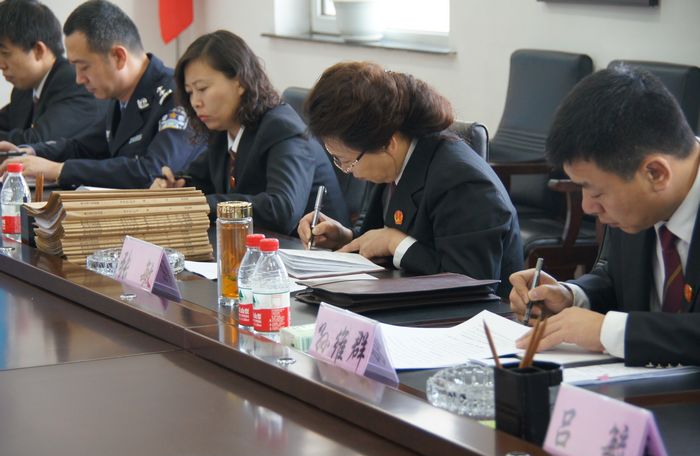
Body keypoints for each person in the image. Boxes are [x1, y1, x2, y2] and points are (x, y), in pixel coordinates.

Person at [510, 65, 700, 367]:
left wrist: (610, 332)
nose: (588, 207)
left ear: (655, 173)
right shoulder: (633, 200)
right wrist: (572, 297)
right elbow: (617, 280)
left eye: (596, 193)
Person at [297, 61, 523, 297]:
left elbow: (471, 283)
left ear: (388, 144)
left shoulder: (462, 182)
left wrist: (395, 243)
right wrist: (345, 238)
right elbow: (379, 235)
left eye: (346, 161)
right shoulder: (393, 160)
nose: (346, 170)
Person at [151, 30, 348, 235]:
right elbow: (200, 179)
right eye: (190, 92)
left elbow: (282, 210)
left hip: (314, 250)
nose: (195, 102)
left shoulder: (282, 129)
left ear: (240, 82)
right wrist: (175, 186)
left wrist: (199, 204)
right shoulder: (223, 130)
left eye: (202, 88)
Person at [0, 0, 202, 188]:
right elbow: (82, 147)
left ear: (118, 57)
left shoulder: (176, 95)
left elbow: (153, 170)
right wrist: (31, 152)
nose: (79, 79)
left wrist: (59, 170)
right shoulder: (121, 98)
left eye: (84, 67)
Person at [0, 0, 107, 144]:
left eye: (5, 54)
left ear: (38, 50)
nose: (1, 65)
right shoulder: (23, 89)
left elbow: (36, 141)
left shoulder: (76, 83)